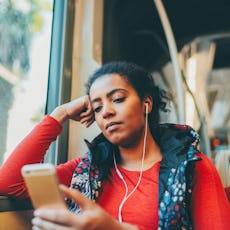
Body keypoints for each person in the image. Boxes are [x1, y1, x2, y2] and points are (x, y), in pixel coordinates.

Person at [0, 61, 229, 230]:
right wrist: (60, 114)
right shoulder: (86, 170)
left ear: (146, 104)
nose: (106, 112)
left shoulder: (193, 168)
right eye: (97, 107)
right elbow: (10, 183)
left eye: (118, 99)